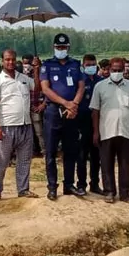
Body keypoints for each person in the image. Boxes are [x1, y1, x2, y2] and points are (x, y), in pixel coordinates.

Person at [0, 49, 40, 203]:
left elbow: (36, 88)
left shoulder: (23, 78)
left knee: (24, 161)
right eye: (7, 59)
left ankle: (23, 189)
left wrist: (36, 69)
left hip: (25, 125)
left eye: (13, 59)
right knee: (2, 162)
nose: (10, 62)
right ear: (3, 61)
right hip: (6, 127)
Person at [40, 33, 86, 200]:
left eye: (64, 47)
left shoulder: (75, 64)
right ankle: (52, 187)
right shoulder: (47, 65)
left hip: (72, 113)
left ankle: (69, 185)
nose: (61, 50)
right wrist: (65, 103)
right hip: (53, 112)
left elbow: (81, 87)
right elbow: (45, 89)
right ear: (54, 47)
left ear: (68, 47)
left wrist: (73, 105)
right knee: (51, 152)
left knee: (70, 151)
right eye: (58, 47)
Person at [90, 57, 129, 205]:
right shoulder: (100, 86)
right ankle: (109, 192)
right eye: (114, 70)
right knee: (106, 163)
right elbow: (95, 111)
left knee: (125, 164)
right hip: (106, 130)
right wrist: (95, 132)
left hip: (126, 131)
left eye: (120, 70)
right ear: (109, 69)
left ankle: (125, 194)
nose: (117, 72)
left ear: (124, 70)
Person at [77, 54, 103, 194]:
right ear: (83, 66)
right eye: (88, 65)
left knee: (96, 156)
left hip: (98, 122)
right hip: (82, 121)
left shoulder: (101, 81)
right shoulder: (79, 80)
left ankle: (95, 184)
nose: (91, 67)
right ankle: (81, 184)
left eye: (93, 64)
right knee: (81, 155)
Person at [22, 55, 46, 156]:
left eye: (28, 63)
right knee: (27, 133)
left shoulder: (40, 75)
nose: (26, 66)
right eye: (24, 63)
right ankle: (31, 151)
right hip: (25, 109)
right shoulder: (20, 76)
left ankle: (44, 151)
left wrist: (43, 104)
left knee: (39, 132)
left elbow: (43, 90)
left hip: (36, 107)